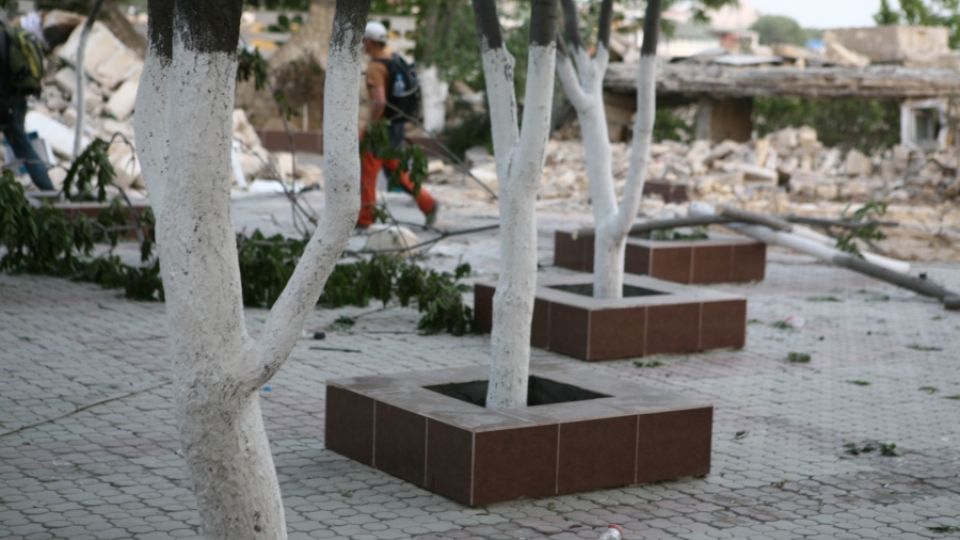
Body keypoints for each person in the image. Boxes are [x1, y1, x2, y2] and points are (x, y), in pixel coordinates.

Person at [357, 21, 437, 229]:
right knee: (396, 169)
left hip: (381, 126)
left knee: (368, 171)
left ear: (370, 42)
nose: (362, 44)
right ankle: (428, 203)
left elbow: (380, 101)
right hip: (396, 124)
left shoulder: (375, 67)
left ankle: (365, 218)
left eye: (364, 40)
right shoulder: (394, 57)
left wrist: (372, 127)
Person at [0, 17, 54, 191]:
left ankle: (49, 191)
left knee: (22, 147)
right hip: (17, 99)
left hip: (5, 101)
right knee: (22, 146)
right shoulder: (8, 34)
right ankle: (49, 191)